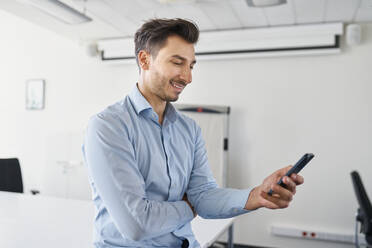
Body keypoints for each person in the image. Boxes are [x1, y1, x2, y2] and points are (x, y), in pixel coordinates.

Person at [82, 18, 304, 248]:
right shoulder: (108, 127)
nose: (187, 77)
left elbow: (203, 195)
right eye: (178, 63)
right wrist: (189, 206)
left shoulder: (189, 129)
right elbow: (136, 223)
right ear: (145, 59)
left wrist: (256, 195)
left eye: (191, 65)